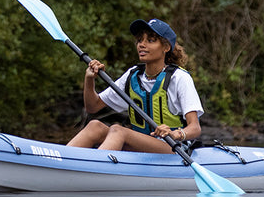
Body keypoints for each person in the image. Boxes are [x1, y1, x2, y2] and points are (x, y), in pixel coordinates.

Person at [67, 18, 204, 152]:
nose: (141, 45)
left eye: (150, 40)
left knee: (118, 130)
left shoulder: (179, 78)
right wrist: (89, 79)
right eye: (140, 40)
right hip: (141, 143)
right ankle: (61, 161)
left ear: (166, 47)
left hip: (174, 146)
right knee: (94, 126)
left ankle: (96, 169)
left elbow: (195, 128)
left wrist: (176, 134)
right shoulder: (133, 75)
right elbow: (93, 106)